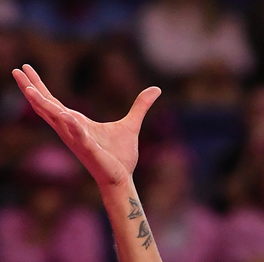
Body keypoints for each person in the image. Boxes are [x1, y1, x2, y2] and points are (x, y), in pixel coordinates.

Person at [13, 64, 164, 262]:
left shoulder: (83, 227)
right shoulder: (6, 225)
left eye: (57, 186)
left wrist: (119, 185)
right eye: (41, 185)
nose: (48, 196)